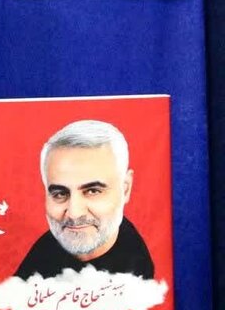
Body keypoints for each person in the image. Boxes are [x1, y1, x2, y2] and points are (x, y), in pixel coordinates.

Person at [14, 120, 154, 280]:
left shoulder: (140, 277)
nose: (74, 213)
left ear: (125, 189)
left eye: (93, 191)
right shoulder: (37, 259)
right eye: (60, 194)